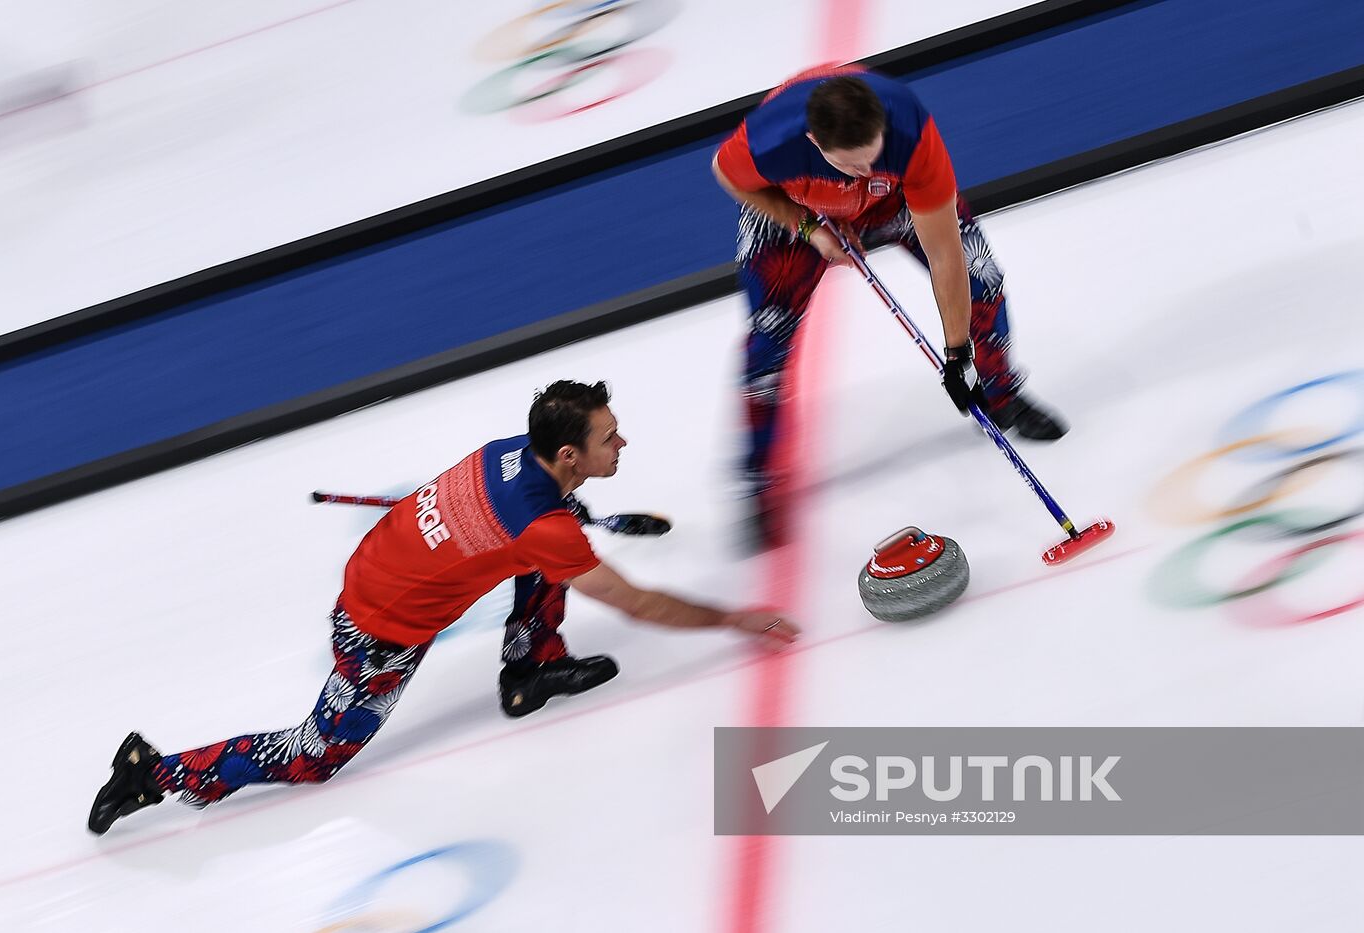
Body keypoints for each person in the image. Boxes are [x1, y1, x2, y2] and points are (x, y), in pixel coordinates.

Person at [88, 381, 798, 835]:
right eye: (608, 436)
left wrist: (568, 514)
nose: (622, 442)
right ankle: (156, 771)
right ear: (567, 454)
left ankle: (531, 670)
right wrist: (733, 618)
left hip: (382, 567)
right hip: (379, 631)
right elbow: (638, 603)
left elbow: (533, 518)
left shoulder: (507, 452)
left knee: (549, 554)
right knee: (314, 755)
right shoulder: (540, 523)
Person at [712, 65, 1068, 545]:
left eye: (871, 157)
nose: (864, 172)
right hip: (796, 208)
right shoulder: (771, 143)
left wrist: (958, 355)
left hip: (893, 198)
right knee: (768, 342)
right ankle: (759, 477)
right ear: (815, 141)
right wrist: (807, 227)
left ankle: (999, 394)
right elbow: (727, 175)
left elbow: (946, 256)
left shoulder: (911, 135)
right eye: (851, 164)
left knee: (981, 275)